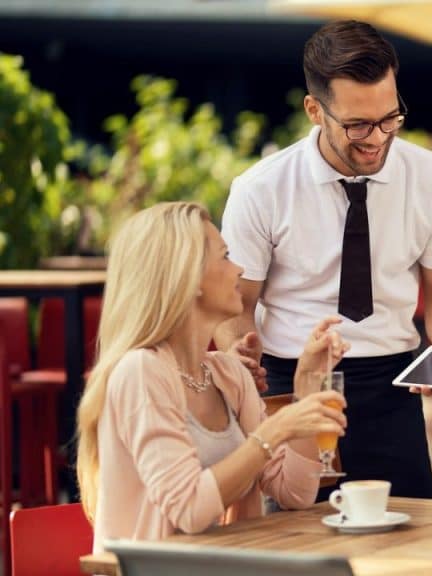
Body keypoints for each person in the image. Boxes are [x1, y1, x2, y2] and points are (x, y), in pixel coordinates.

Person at [217, 19, 432, 499]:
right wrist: (241, 359)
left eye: (390, 118)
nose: (377, 138)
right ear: (314, 110)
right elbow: (237, 303)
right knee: (300, 545)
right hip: (292, 384)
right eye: (358, 125)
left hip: (392, 387)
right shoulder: (260, 189)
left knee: (406, 544)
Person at [76, 202, 349, 552]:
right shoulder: (140, 372)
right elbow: (188, 508)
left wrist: (307, 383)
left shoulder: (227, 373)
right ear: (187, 278)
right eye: (225, 256)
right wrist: (273, 431)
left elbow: (294, 493)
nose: (239, 269)